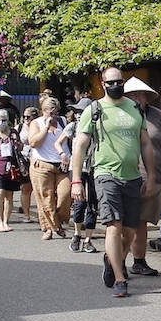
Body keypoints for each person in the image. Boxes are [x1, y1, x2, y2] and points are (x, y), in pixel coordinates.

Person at [71, 67, 158, 298]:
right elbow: (80, 146)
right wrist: (76, 180)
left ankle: (113, 260)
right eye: (110, 82)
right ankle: (120, 279)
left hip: (132, 176)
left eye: (118, 81)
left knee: (130, 230)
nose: (115, 86)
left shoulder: (135, 108)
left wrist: (151, 176)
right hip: (105, 173)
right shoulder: (95, 109)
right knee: (113, 225)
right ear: (102, 84)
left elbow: (146, 144)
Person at [123, 77, 161, 276]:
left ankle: (139, 261)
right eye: (132, 95)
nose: (137, 98)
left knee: (141, 223)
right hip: (128, 176)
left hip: (155, 177)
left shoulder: (158, 116)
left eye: (140, 94)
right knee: (127, 223)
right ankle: (117, 262)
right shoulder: (120, 116)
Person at [56, 98, 98, 253]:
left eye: (83, 111)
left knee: (92, 204)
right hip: (77, 167)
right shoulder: (72, 127)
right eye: (77, 111)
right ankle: (77, 234)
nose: (79, 115)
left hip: (95, 166)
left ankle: (88, 239)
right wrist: (64, 155)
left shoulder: (97, 127)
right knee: (79, 202)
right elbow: (58, 143)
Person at [28, 96, 70, 240]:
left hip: (62, 165)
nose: (52, 116)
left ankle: (56, 223)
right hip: (42, 165)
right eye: (48, 112)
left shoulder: (63, 121)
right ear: (43, 111)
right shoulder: (36, 123)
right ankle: (50, 229)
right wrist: (46, 127)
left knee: (66, 195)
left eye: (54, 112)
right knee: (46, 199)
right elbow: (33, 143)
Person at [17, 106, 39, 223]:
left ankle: (42, 214)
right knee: (26, 188)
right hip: (24, 160)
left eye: (28, 117)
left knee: (38, 188)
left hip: (38, 159)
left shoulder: (40, 126)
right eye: (24, 116)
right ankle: (26, 215)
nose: (25, 119)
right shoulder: (20, 127)